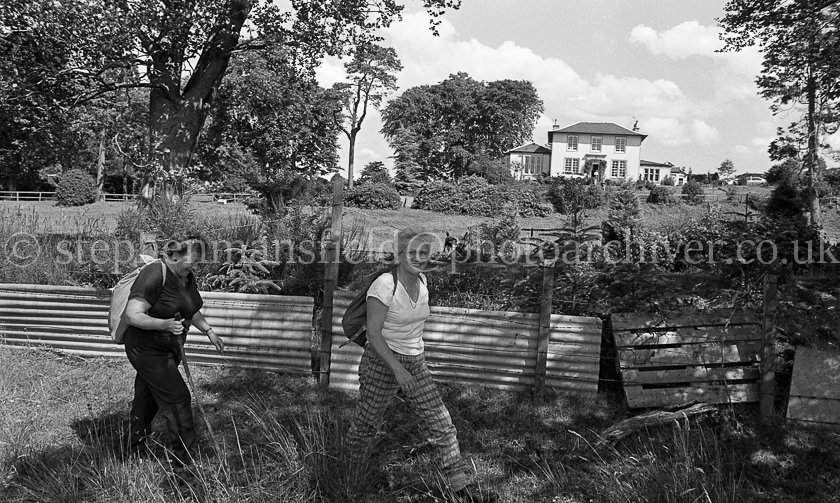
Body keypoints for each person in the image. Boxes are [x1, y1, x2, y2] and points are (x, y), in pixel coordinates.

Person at [346, 227, 497, 503]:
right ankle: (351, 480)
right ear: (400, 253)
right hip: (382, 363)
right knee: (366, 425)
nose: (419, 258)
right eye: (413, 252)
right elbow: (373, 334)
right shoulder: (384, 285)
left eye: (425, 253)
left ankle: (458, 488)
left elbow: (414, 327)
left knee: (442, 425)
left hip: (415, 363)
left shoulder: (424, 281)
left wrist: (412, 363)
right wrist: (397, 369)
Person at [123, 235, 224, 468]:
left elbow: (189, 308)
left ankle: (134, 451)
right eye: (192, 261)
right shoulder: (155, 274)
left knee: (146, 399)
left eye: (199, 263)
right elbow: (133, 314)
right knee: (178, 399)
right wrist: (164, 325)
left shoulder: (186, 276)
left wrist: (209, 331)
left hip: (169, 349)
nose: (195, 267)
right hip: (146, 350)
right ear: (175, 255)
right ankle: (183, 465)